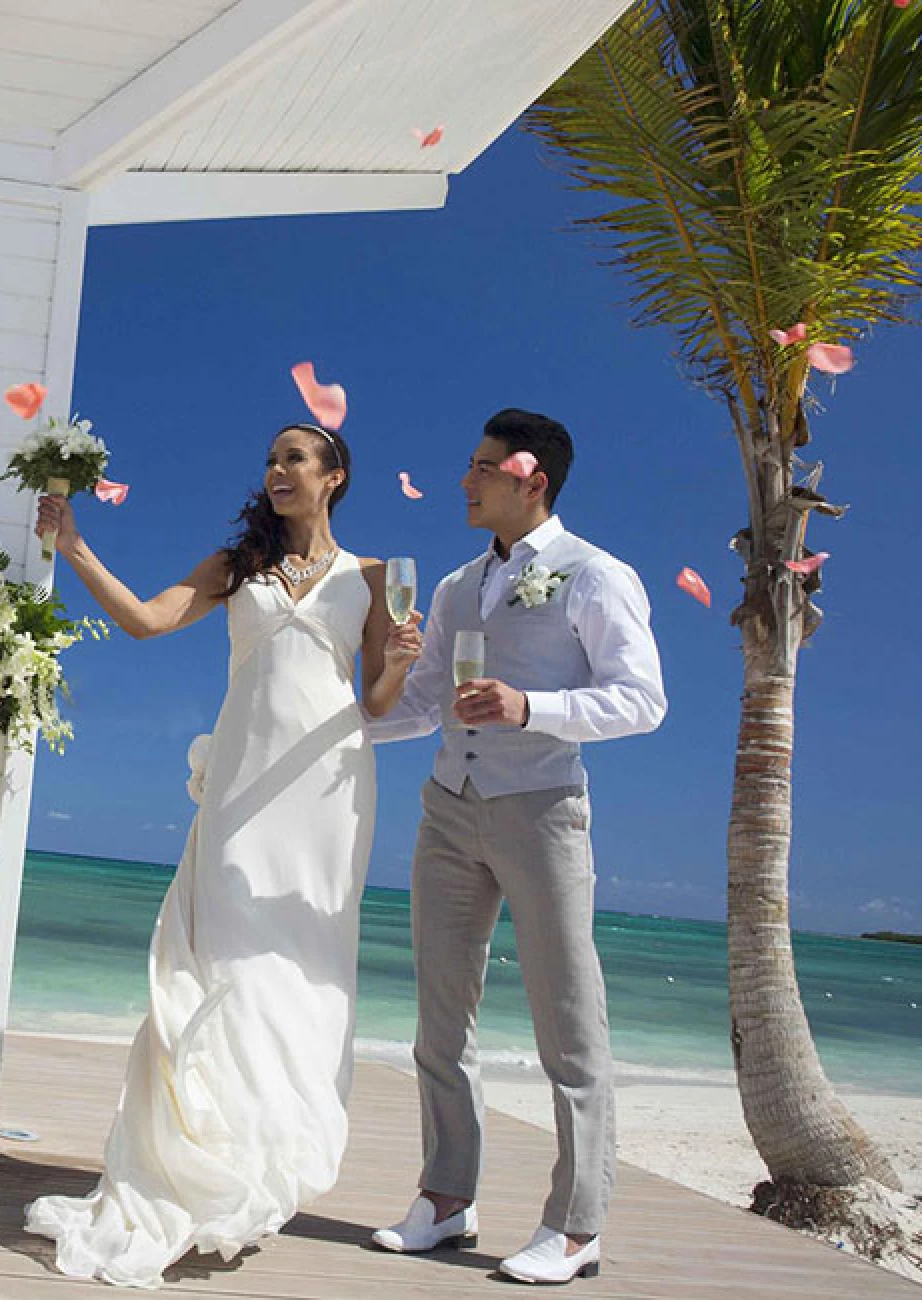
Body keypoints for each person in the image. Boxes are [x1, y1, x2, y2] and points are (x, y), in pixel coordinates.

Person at [24, 423, 423, 1288]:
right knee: (223, 961)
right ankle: (199, 1161)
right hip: (243, 783)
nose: (277, 471)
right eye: (271, 459)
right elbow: (144, 622)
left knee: (298, 970)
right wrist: (75, 544)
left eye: (295, 459)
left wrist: (395, 660)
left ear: (334, 477)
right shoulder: (237, 564)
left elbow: (381, 705)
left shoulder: (375, 577)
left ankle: (264, 1162)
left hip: (327, 791)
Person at [364, 409, 665, 1285]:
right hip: (448, 808)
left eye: (482, 468)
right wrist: (330, 731)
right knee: (438, 1019)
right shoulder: (456, 586)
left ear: (532, 480)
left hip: (542, 811)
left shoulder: (595, 575)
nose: (466, 480)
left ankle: (577, 1226)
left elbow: (642, 701)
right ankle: (446, 1199)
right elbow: (424, 705)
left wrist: (534, 709)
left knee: (569, 1027)